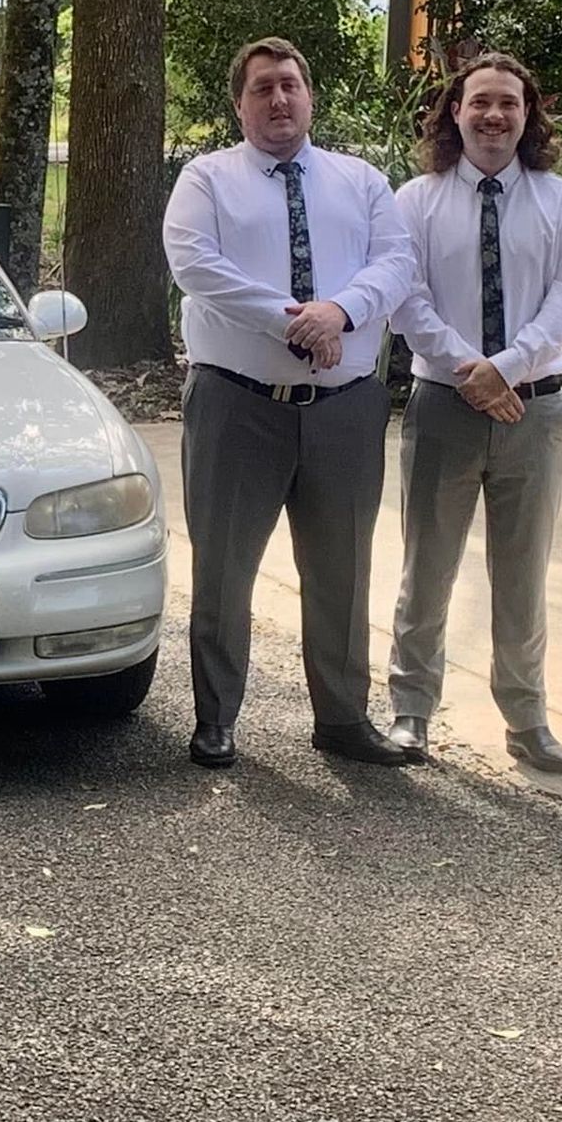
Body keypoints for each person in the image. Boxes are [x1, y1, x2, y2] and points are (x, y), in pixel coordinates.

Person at [162, 37, 417, 770]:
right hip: (238, 405)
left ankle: (342, 720)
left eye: (291, 85)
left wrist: (338, 312)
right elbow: (196, 267)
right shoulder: (206, 180)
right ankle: (216, 721)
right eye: (263, 88)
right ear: (239, 104)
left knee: (342, 568)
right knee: (224, 570)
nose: (280, 99)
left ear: (311, 95)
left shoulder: (361, 180)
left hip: (343, 409)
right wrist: (291, 318)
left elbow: (396, 261)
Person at [386, 53, 562, 772]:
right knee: (428, 568)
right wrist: (467, 371)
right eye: (480, 102)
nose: (494, 116)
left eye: (509, 103)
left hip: (534, 415)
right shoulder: (416, 200)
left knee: (522, 574)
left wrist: (502, 368)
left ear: (528, 115)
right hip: (442, 409)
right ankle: (411, 712)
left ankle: (527, 720)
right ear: (454, 111)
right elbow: (406, 301)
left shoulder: (561, 202)